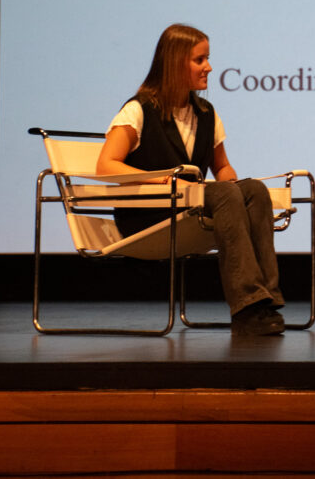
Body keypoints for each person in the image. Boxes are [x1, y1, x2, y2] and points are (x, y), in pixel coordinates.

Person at [97, 23, 286, 336]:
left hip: (189, 210)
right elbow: (106, 165)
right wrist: (167, 182)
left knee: (253, 189)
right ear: (175, 63)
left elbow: (222, 167)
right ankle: (247, 306)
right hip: (148, 216)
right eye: (200, 60)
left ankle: (266, 300)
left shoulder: (206, 113)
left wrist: (230, 181)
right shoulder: (139, 110)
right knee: (224, 194)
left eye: (207, 59)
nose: (209, 67)